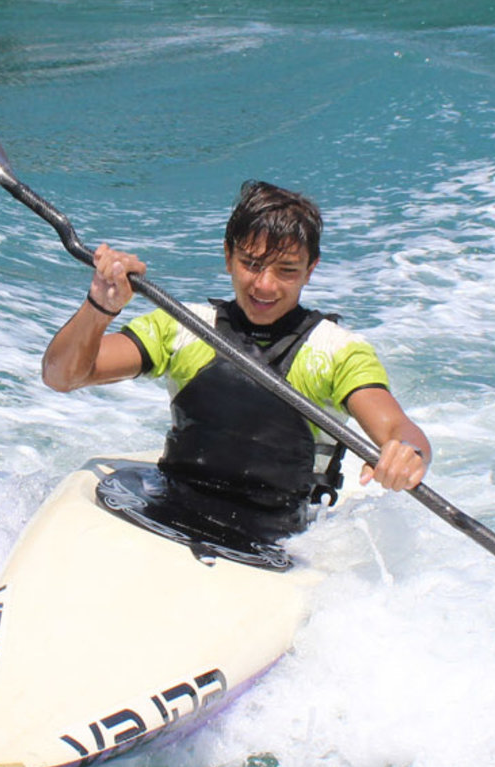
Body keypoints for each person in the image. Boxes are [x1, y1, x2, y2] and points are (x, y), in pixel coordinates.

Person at [40, 181, 432, 546]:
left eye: (287, 270)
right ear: (228, 257)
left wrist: (406, 453)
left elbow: (399, 430)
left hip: (280, 535)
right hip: (171, 504)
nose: (265, 285)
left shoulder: (337, 352)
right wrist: (100, 306)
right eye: (252, 263)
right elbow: (62, 376)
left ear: (310, 271)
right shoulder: (181, 326)